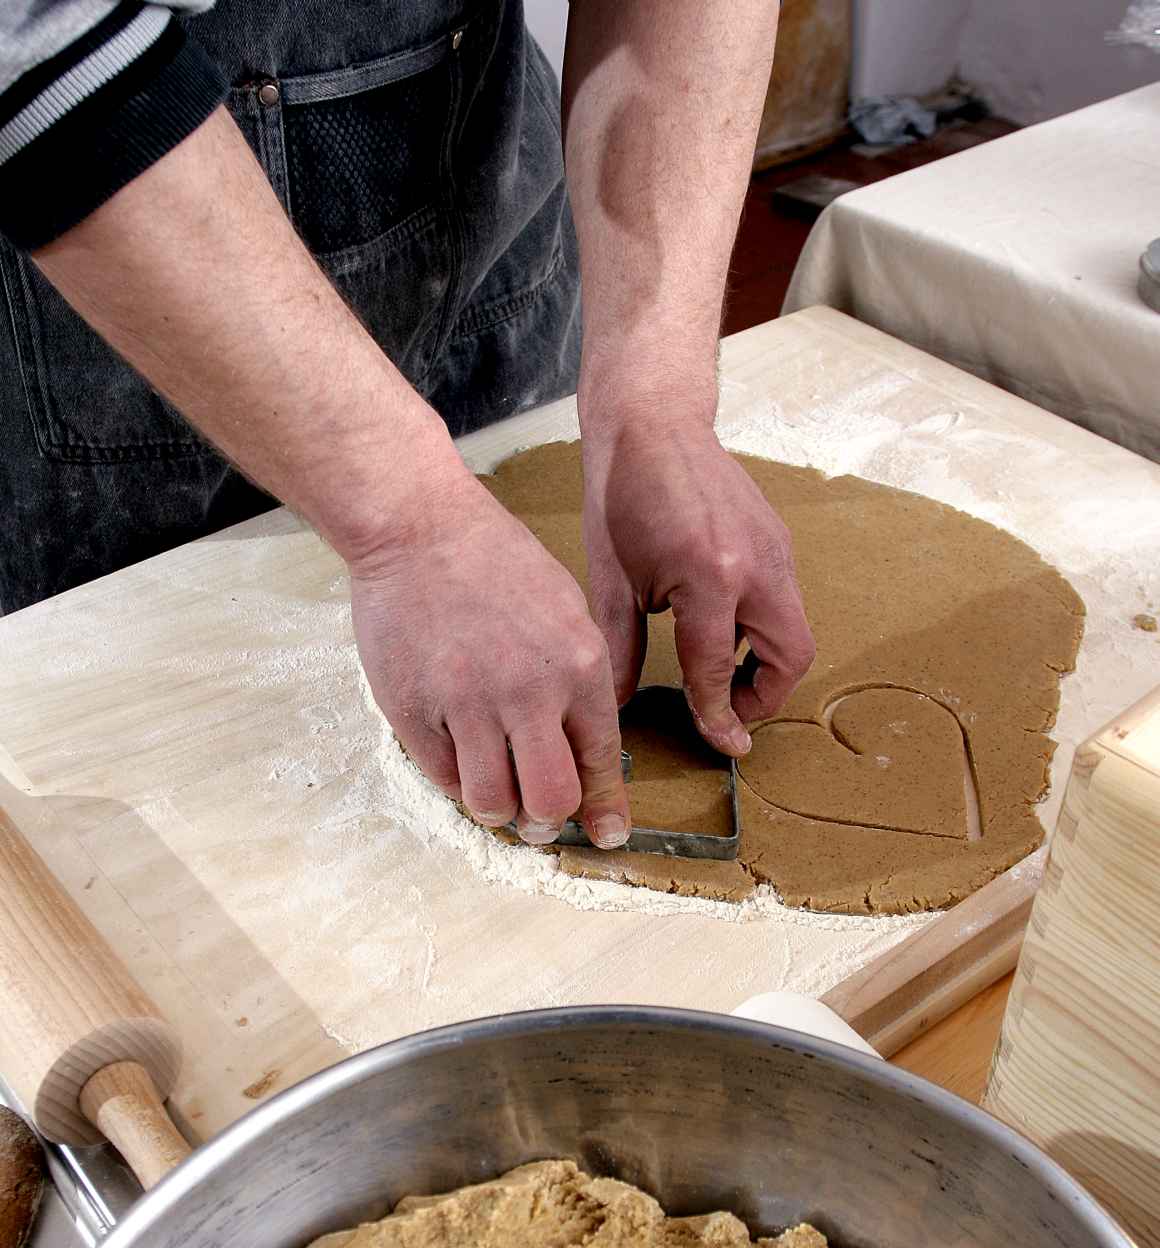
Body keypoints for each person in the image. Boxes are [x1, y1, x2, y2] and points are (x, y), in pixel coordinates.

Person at [0, 1, 814, 849]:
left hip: (482, 222)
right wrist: (412, 524)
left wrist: (654, 399)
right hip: (107, 304)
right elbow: (46, 56)